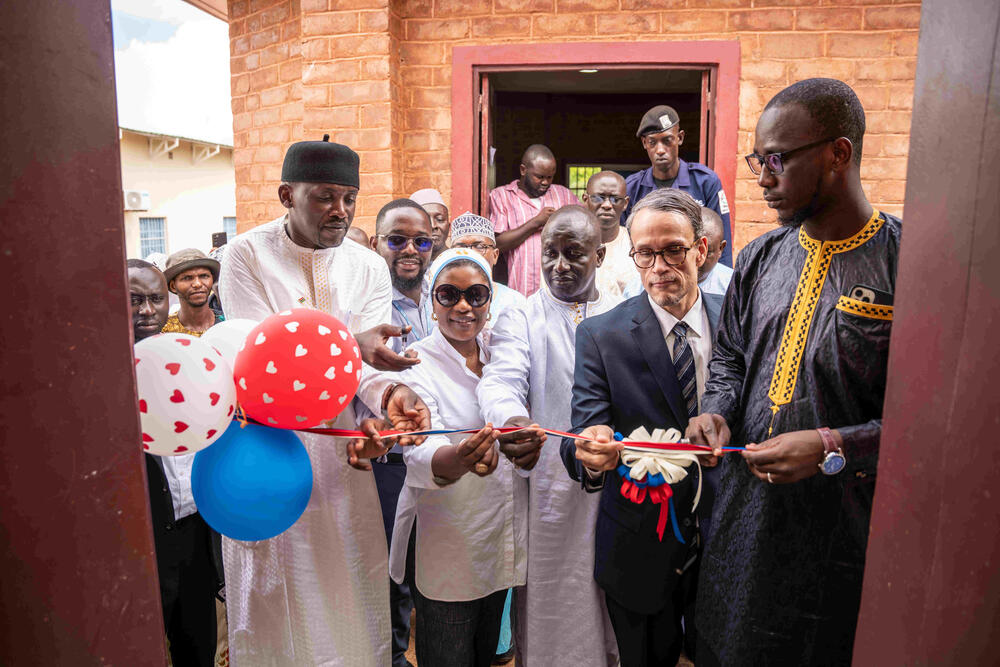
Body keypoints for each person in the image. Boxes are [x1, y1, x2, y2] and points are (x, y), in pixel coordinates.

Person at [687, 78, 902, 667]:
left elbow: (927, 424)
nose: (762, 176)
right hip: (740, 524)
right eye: (761, 159)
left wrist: (835, 445)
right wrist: (716, 410)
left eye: (777, 158)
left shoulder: (904, 262)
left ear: (838, 153)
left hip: (838, 537)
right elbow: (730, 357)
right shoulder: (760, 257)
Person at [217, 136, 431, 665]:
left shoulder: (367, 267)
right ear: (288, 194)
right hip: (267, 449)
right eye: (325, 197)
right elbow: (261, 361)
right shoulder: (245, 255)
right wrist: (347, 344)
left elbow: (364, 362)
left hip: (341, 456)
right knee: (271, 594)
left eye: (349, 198)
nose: (340, 211)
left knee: (348, 589)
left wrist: (392, 393)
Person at [560, 189, 724, 667]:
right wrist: (591, 453)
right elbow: (582, 434)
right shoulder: (600, 334)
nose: (659, 266)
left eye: (673, 249)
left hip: (726, 533)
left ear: (701, 249)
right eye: (644, 253)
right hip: (638, 538)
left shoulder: (737, 317)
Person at [478, 205, 622, 666]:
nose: (559, 266)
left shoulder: (623, 312)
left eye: (574, 254)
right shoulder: (520, 315)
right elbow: (501, 380)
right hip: (545, 487)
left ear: (599, 256)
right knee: (549, 597)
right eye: (550, 253)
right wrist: (511, 422)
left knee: (610, 598)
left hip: (614, 485)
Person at [387, 248, 524, 667]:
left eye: (476, 295)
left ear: (490, 302)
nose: (463, 306)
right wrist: (461, 456)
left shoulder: (504, 356)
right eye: (449, 295)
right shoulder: (415, 366)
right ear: (431, 300)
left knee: (488, 656)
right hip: (451, 546)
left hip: (502, 541)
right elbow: (421, 451)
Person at [128, 259, 222, 667]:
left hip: (195, 530)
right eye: (133, 300)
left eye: (154, 299)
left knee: (197, 646)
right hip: (142, 543)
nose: (147, 310)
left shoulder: (191, 359)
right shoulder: (102, 373)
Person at [369, 197, 435, 667]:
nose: (409, 249)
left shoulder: (447, 293)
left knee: (433, 567)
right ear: (377, 244)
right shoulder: (364, 308)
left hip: (442, 454)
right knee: (392, 572)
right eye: (397, 239)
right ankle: (393, 656)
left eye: (421, 240)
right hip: (389, 460)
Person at [624, 105, 733, 267]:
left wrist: (724, 284)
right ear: (644, 143)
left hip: (697, 273)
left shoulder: (705, 181)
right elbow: (623, 241)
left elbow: (721, 238)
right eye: (652, 142)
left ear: (680, 138)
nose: (660, 150)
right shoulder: (632, 187)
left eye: (667, 140)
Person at [489, 144, 580, 297]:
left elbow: (583, 231)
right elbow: (497, 244)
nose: (545, 182)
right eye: (539, 177)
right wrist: (536, 222)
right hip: (521, 293)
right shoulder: (501, 196)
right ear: (523, 170)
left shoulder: (563, 195)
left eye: (549, 177)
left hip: (560, 295)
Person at [447, 212, 527, 327]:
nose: (471, 253)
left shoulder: (514, 301)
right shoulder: (442, 298)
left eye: (479, 247)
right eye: (461, 247)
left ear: (495, 256)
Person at [582, 170, 635, 299]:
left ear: (625, 203)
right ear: (585, 199)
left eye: (615, 199)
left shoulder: (636, 245)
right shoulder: (571, 246)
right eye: (599, 198)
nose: (607, 205)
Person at [161, 249, 224, 336]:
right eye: (187, 278)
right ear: (173, 286)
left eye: (204, 276)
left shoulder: (226, 323)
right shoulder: (164, 332)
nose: (197, 284)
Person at [697, 207, 733, 296]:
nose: (698, 259)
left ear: (720, 249)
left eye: (707, 252)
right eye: (691, 250)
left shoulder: (733, 286)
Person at [410, 188, 450, 260]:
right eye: (425, 220)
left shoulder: (459, 262)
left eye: (439, 219)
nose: (433, 225)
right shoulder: (405, 265)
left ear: (449, 227)